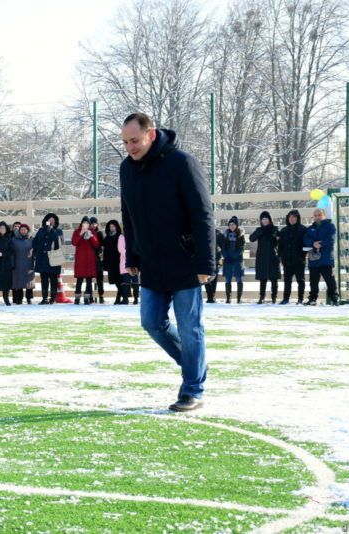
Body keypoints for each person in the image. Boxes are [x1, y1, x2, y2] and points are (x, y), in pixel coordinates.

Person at [120, 112, 215, 412]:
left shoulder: (182, 163)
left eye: (134, 141)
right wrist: (132, 255)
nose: (130, 148)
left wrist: (205, 263)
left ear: (150, 134)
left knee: (190, 329)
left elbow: (203, 214)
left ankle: (192, 388)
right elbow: (129, 214)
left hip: (186, 262)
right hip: (150, 262)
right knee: (151, 322)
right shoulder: (126, 169)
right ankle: (193, 363)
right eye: (125, 142)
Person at [303, 208, 339, 306]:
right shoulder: (310, 228)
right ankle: (312, 299)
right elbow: (305, 239)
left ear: (324, 216)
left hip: (326, 259)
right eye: (315, 215)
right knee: (313, 282)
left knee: (329, 280)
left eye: (319, 215)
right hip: (313, 260)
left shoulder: (330, 226)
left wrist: (320, 244)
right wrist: (313, 243)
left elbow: (331, 239)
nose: (317, 217)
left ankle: (334, 298)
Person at [250, 211, 281, 304]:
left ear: (270, 220)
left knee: (274, 278)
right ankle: (261, 297)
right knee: (262, 279)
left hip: (273, 256)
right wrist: (261, 231)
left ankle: (274, 297)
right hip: (262, 257)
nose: (264, 220)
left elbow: (279, 238)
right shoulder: (259, 230)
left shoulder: (274, 229)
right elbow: (252, 238)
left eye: (266, 219)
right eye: (263, 219)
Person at [32, 213, 63, 304]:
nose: (51, 222)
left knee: (53, 279)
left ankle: (52, 298)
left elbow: (59, 242)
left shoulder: (58, 231)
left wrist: (52, 231)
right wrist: (38, 250)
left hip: (53, 259)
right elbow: (34, 242)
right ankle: (44, 298)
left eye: (53, 220)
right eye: (49, 220)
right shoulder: (41, 230)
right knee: (44, 279)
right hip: (42, 259)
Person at [278, 210, 308, 305]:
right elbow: (280, 246)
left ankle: (300, 299)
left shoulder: (303, 230)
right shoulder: (284, 231)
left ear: (298, 218)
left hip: (299, 260)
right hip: (287, 261)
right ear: (287, 218)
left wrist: (303, 255)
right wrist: (282, 257)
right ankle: (285, 298)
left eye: (294, 217)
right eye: (290, 217)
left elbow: (306, 244)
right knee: (287, 281)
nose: (292, 219)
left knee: (300, 280)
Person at [72, 216, 100, 305]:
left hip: (90, 260)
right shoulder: (77, 231)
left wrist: (91, 236)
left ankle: (87, 298)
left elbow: (96, 244)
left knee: (89, 281)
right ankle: (77, 298)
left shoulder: (92, 232)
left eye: (87, 223)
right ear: (81, 223)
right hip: (80, 259)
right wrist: (81, 233)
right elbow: (74, 242)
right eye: (84, 223)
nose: (85, 225)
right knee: (79, 280)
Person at [221, 216, 245, 303]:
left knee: (239, 279)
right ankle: (228, 298)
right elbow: (222, 248)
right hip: (228, 260)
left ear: (237, 225)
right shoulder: (225, 235)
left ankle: (239, 298)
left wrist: (234, 257)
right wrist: (226, 256)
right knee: (228, 279)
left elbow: (242, 248)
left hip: (238, 260)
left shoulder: (241, 236)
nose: (231, 226)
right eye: (230, 224)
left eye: (233, 224)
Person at [11, 223, 35, 304]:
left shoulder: (32, 240)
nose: (23, 231)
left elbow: (36, 250)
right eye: (21, 230)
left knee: (29, 282)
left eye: (25, 230)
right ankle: (19, 299)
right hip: (17, 263)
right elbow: (11, 252)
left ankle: (29, 298)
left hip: (29, 263)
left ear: (28, 231)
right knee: (18, 282)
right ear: (19, 231)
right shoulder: (14, 240)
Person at [101, 220, 123, 304]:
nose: (111, 228)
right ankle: (120, 298)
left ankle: (119, 298)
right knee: (116, 282)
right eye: (110, 227)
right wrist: (105, 264)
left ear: (117, 227)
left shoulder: (120, 237)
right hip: (111, 264)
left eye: (113, 226)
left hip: (119, 263)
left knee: (120, 282)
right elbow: (105, 252)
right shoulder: (107, 238)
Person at [89, 217, 106, 303]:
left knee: (100, 279)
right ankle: (90, 297)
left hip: (98, 258)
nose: (93, 225)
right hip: (90, 259)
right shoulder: (87, 233)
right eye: (92, 223)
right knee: (89, 279)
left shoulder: (99, 233)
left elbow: (102, 244)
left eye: (95, 223)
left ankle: (101, 297)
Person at [204, 228, 224, 303]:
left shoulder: (218, 233)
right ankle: (210, 296)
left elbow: (223, 245)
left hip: (216, 258)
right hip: (205, 258)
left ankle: (212, 296)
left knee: (214, 277)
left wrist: (220, 255)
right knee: (206, 277)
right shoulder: (203, 231)